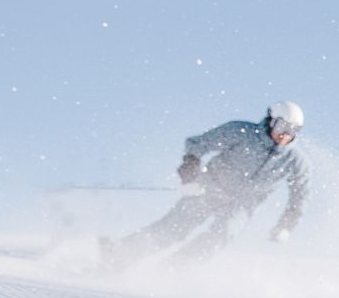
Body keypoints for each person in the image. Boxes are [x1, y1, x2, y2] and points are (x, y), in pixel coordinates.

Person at [101, 101, 310, 266]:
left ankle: (173, 269)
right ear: (271, 120)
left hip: (242, 205)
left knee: (222, 235)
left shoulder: (295, 161)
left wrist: (286, 226)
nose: (285, 134)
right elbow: (197, 145)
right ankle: (120, 254)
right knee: (176, 227)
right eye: (281, 126)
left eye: (292, 130)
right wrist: (190, 177)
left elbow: (299, 198)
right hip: (210, 188)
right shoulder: (242, 132)